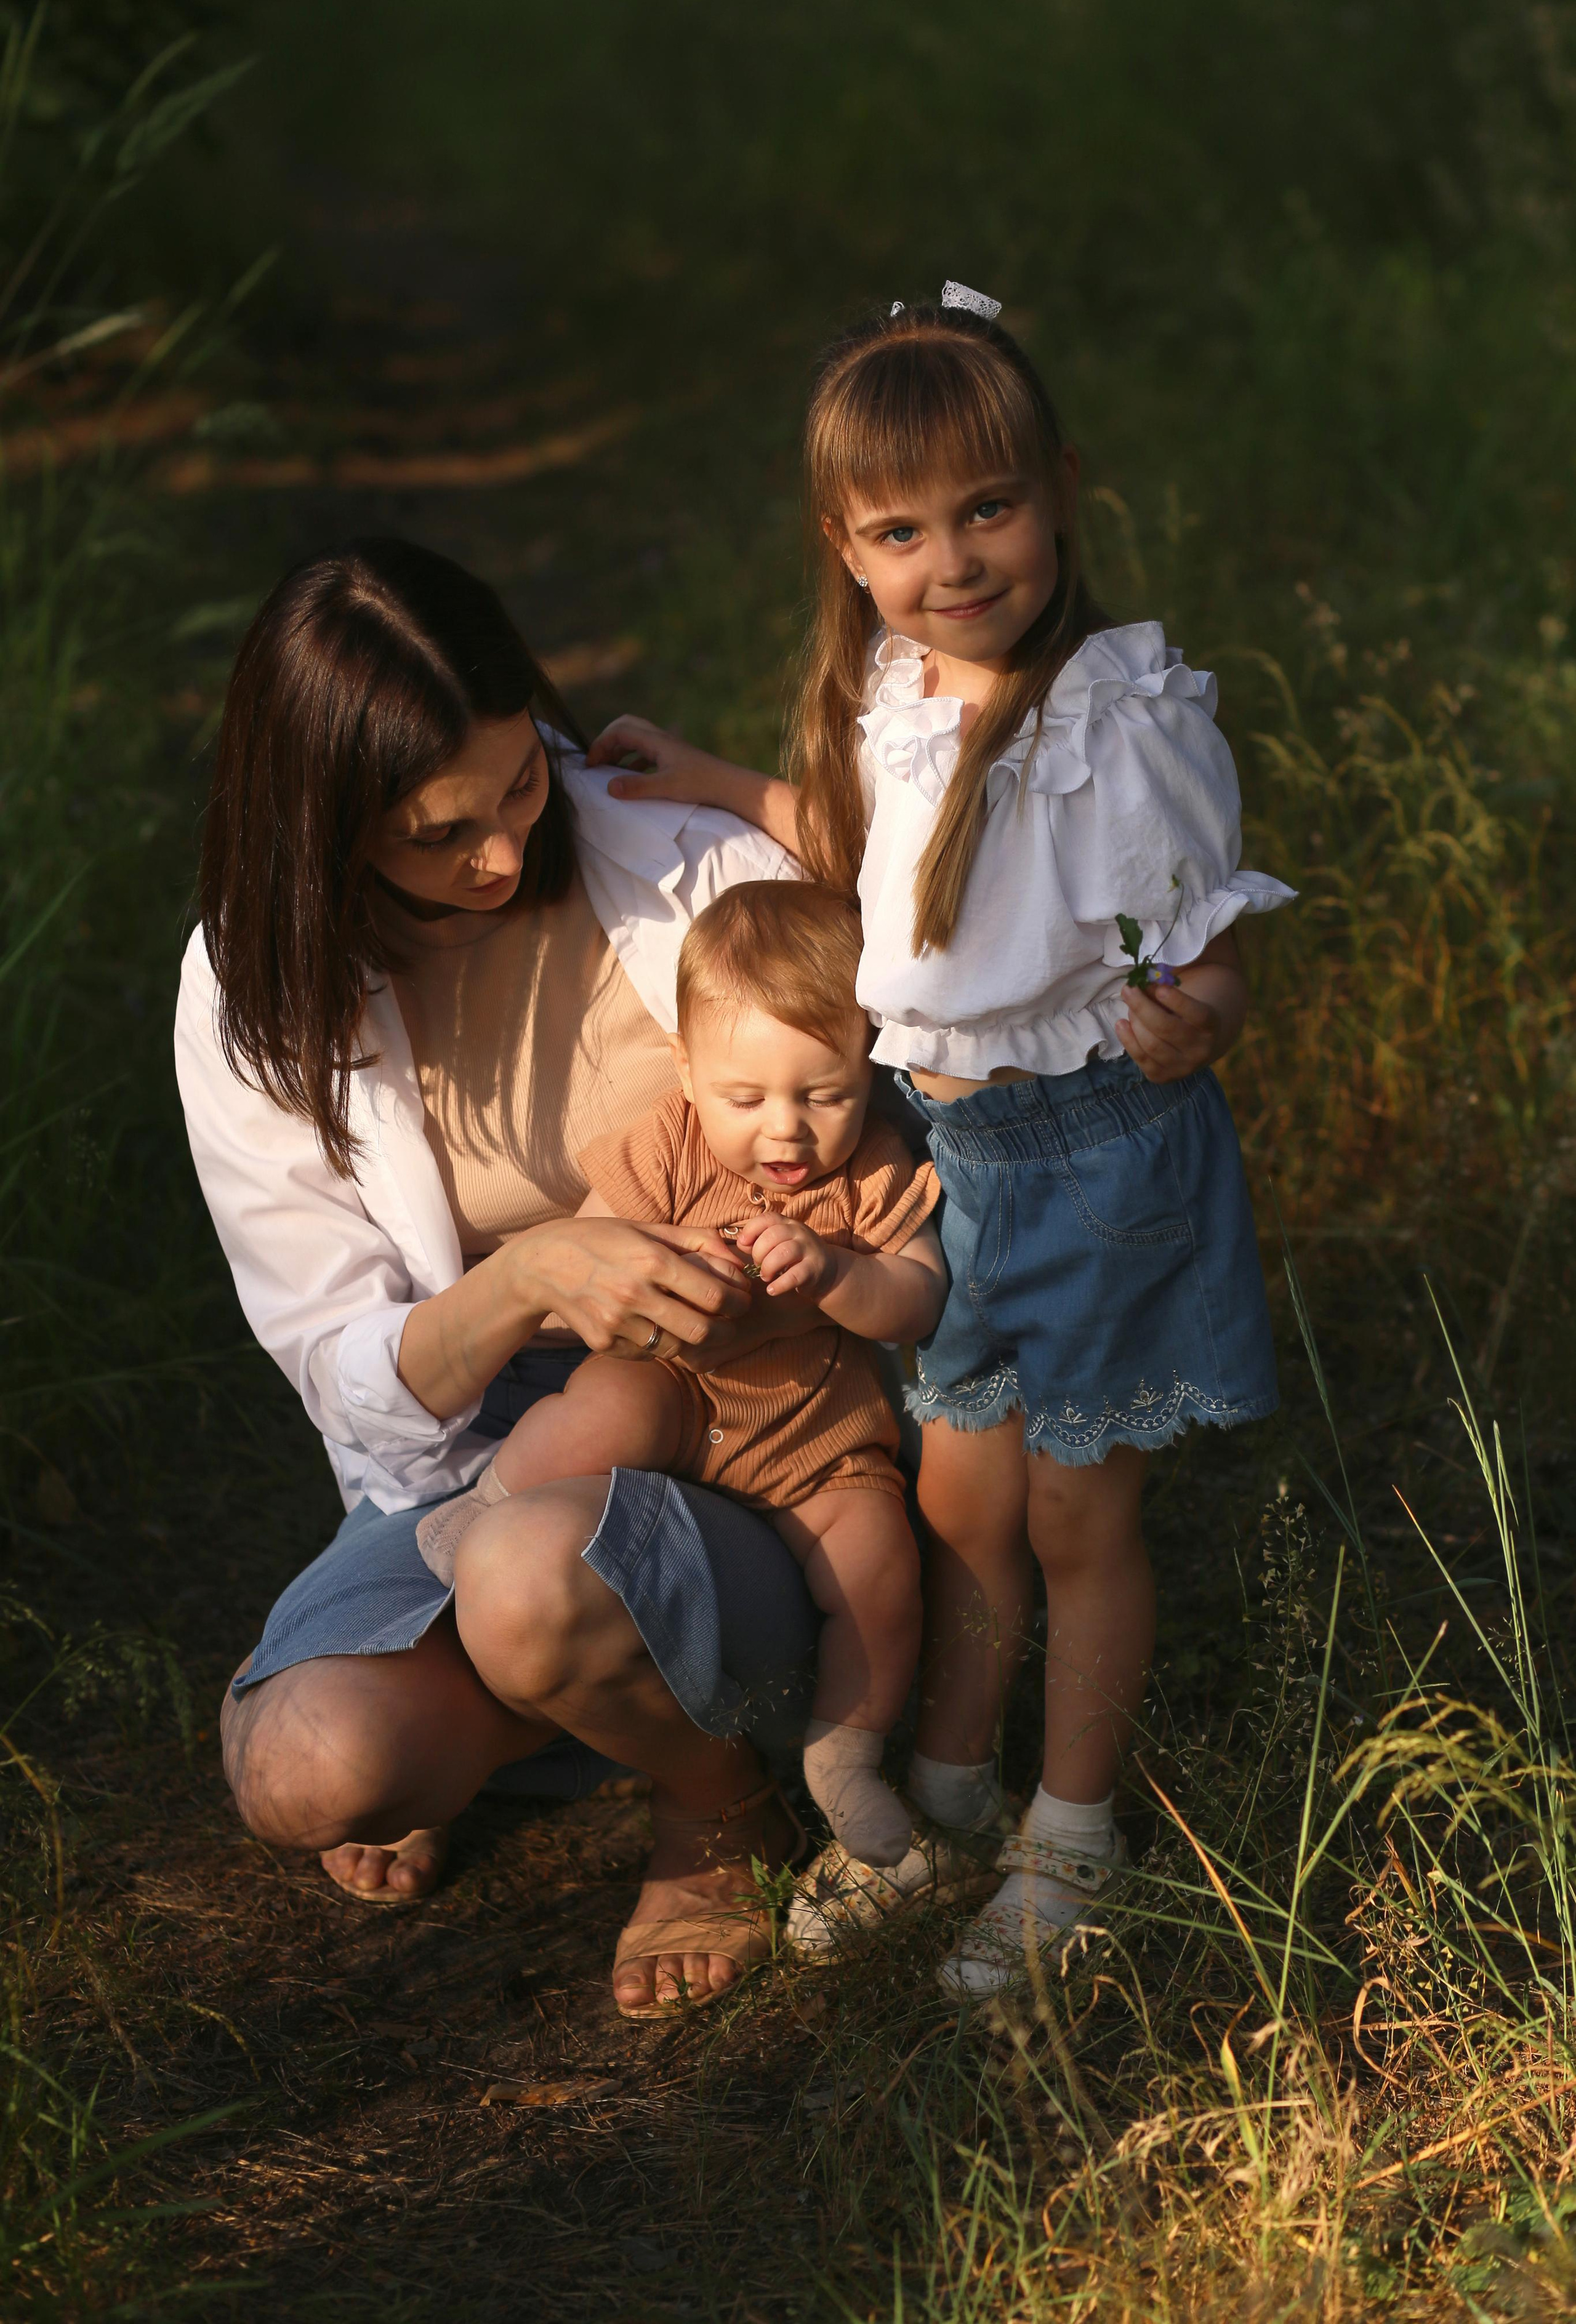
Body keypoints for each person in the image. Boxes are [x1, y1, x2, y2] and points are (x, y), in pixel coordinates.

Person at [584, 283, 1295, 1997]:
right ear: (846, 545)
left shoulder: (1117, 712)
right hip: (969, 1166)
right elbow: (865, 849)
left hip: (1107, 1156)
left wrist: (1204, 1010)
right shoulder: (899, 687)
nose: (955, 560)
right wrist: (715, 781)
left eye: (990, 509)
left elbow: (1208, 937)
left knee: (1073, 1521)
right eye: (903, 530)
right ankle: (953, 1794)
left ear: (1060, 488)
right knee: (964, 1492)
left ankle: (1074, 1835)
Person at [177, 535, 838, 2021]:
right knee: (310, 1769)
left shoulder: (684, 865)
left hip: (732, 1415)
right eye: (433, 834)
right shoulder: (249, 987)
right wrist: (527, 1277)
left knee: (526, 1574)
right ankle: (562, 1689)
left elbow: (886, 1089)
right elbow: (342, 1369)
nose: (495, 852)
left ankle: (709, 1796)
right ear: (322, 831)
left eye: (518, 787)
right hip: (468, 1452)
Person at [417, 878, 947, 1875]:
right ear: (688, 1071)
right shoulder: (666, 1141)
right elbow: (579, 1247)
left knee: (881, 1566)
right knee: (607, 1406)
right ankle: (479, 1511)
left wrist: (839, 1273)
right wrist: (652, 1248)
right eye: (746, 1099)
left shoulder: (871, 1163)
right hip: (678, 1398)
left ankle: (846, 1755)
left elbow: (918, 1296)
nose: (785, 1131)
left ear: (865, 1068)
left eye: (823, 1093)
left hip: (813, 1440)